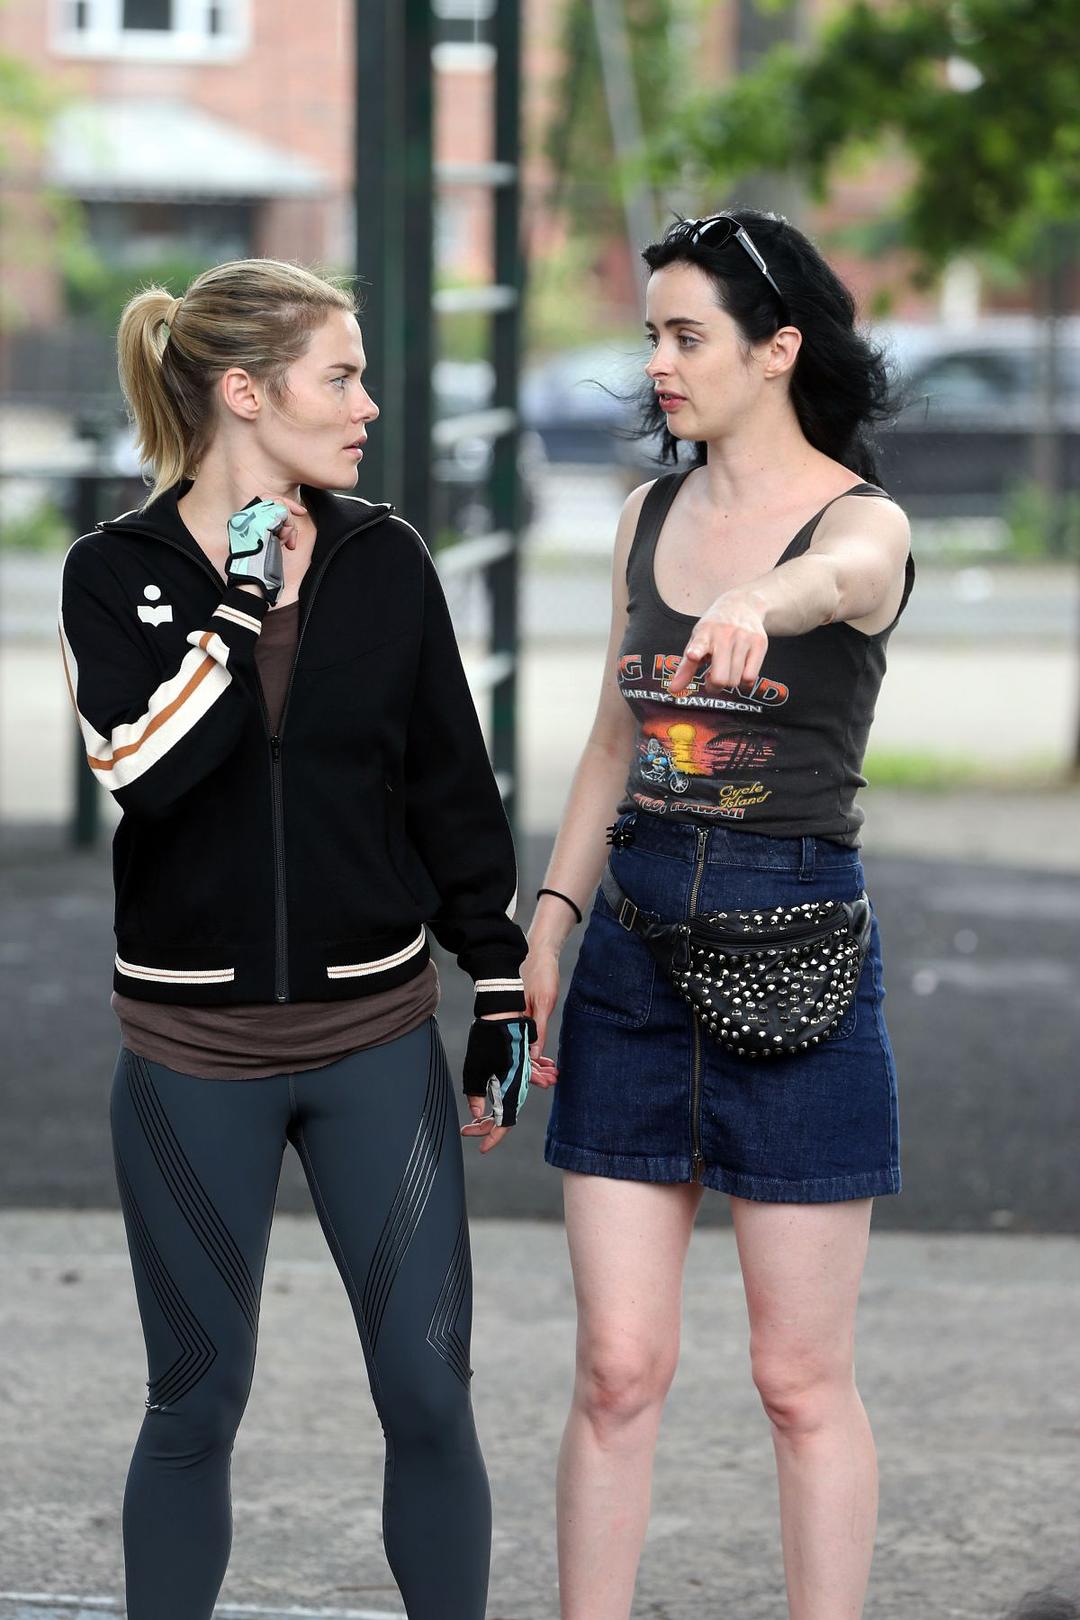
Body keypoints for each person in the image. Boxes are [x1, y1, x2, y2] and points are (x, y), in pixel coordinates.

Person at [58, 258, 550, 1620]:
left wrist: (496, 980)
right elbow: (146, 772)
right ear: (244, 392)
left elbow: (450, 787)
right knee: (195, 1398)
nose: (367, 406)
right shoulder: (113, 574)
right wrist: (237, 598)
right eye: (341, 378)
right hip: (189, 1057)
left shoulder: (385, 560)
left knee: (428, 1390)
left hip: (372, 1044)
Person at [524, 209, 915, 1620]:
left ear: (778, 349)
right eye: (653, 336)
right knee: (616, 1370)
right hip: (629, 958)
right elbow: (610, 743)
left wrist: (763, 591)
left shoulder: (862, 519)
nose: (659, 364)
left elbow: (848, 579)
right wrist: (548, 927)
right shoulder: (646, 516)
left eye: (688, 337)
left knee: (799, 1381)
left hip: (796, 956)